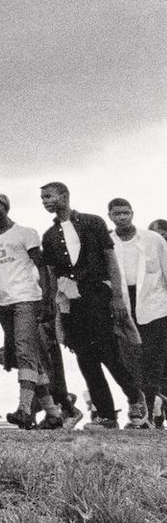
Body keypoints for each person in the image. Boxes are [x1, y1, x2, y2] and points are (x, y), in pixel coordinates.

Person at [39, 182, 145, 429]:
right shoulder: (49, 235)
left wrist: (117, 297)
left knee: (108, 352)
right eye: (42, 198)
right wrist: (56, 310)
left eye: (49, 196)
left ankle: (135, 398)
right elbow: (52, 276)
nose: (45, 201)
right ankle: (106, 415)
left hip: (97, 294)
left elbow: (110, 261)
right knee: (85, 359)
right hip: (70, 301)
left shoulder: (93, 222)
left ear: (64, 196)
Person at [0, 192, 66, 429]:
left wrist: (48, 299)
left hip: (26, 298)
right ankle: (53, 413)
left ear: (6, 207)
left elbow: (41, 266)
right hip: (3, 302)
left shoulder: (24, 233)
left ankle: (24, 408)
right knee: (29, 356)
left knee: (24, 351)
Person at [109, 198, 167, 428]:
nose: (122, 217)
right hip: (122, 306)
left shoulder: (153, 239)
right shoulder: (108, 241)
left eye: (125, 212)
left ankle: (150, 413)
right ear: (110, 216)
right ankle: (142, 409)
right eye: (116, 213)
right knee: (130, 360)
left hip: (155, 305)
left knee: (153, 359)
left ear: (132, 213)